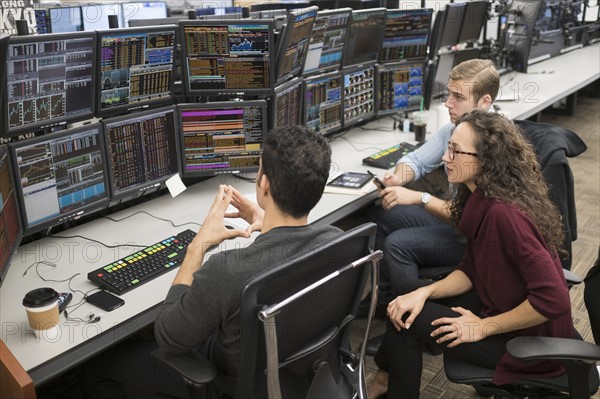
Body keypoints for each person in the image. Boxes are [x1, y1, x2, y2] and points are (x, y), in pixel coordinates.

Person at [80, 125, 342, 398]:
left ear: (264, 184)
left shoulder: (228, 270)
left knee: (96, 363)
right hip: (298, 374)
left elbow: (169, 335)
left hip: (226, 384)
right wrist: (269, 224)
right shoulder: (337, 241)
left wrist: (198, 245)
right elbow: (288, 251)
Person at [368, 110, 574, 399]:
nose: (444, 158)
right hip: (502, 306)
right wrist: (425, 293)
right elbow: (471, 267)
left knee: (406, 320)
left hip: (531, 344)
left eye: (455, 151)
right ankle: (386, 381)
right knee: (407, 299)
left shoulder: (506, 216)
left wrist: (482, 327)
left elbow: (554, 298)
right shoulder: (480, 197)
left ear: (486, 160)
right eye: (447, 148)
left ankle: (387, 384)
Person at [369, 59, 500, 307]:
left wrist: (420, 197)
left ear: (484, 102)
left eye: (458, 97)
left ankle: (415, 315)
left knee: (398, 244)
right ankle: (385, 301)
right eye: (449, 93)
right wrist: (399, 178)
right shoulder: (456, 129)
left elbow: (469, 220)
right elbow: (417, 160)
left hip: (476, 239)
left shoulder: (493, 143)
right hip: (458, 219)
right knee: (383, 212)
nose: (448, 103)